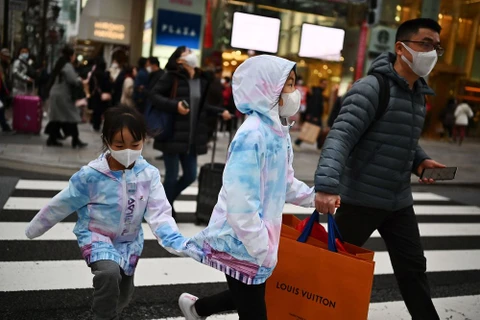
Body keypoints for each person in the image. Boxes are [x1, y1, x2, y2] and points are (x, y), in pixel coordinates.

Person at [314, 18, 445, 320]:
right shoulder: (372, 87)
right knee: (315, 265)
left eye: (436, 46)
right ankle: (214, 304)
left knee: (413, 270)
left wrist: (420, 161)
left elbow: (400, 137)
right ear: (401, 48)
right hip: (362, 199)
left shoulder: (417, 94)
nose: (432, 52)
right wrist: (326, 184)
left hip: (398, 201)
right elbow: (341, 135)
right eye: (425, 43)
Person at [178, 55, 321, 320]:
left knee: (247, 295)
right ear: (268, 87)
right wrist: (261, 247)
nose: (295, 92)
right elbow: (240, 202)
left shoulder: (279, 130)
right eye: (288, 84)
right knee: (254, 309)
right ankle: (197, 309)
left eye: (293, 83)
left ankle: (198, 309)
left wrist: (314, 198)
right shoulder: (252, 135)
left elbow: (284, 183)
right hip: (241, 239)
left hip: (257, 241)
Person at [25, 105, 187, 320]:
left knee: (123, 292)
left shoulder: (149, 175)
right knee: (109, 274)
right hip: (96, 236)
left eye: (135, 144)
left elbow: (160, 212)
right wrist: (35, 228)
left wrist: (174, 240)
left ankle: (110, 311)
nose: (127, 151)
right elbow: (63, 202)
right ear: (107, 141)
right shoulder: (91, 176)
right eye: (119, 145)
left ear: (144, 141)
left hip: (129, 241)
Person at [149, 46, 231, 217]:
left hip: (192, 137)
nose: (192, 55)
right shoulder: (171, 76)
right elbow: (154, 96)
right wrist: (175, 105)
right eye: (187, 52)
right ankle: (166, 208)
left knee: (190, 175)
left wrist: (219, 111)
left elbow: (201, 106)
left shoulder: (201, 79)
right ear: (179, 60)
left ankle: (162, 204)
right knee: (171, 176)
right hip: (173, 134)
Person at [45, 46, 87, 148]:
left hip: (56, 93)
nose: (74, 57)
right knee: (71, 116)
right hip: (63, 95)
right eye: (74, 55)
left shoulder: (60, 63)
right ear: (71, 55)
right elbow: (72, 80)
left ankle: (52, 139)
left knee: (58, 118)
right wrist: (79, 80)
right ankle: (75, 140)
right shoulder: (67, 65)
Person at [294, 78, 328, 150]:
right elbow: (314, 105)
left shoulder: (319, 92)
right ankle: (297, 142)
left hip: (316, 115)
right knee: (309, 129)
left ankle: (320, 146)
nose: (325, 86)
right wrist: (314, 116)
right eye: (324, 84)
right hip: (315, 115)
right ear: (320, 84)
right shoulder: (317, 93)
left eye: (326, 84)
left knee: (317, 130)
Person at [89, 57, 112, 132]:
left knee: (96, 110)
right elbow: (108, 85)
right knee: (104, 110)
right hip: (104, 94)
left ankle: (96, 125)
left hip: (96, 94)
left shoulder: (94, 74)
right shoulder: (106, 74)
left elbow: (91, 84)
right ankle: (105, 125)